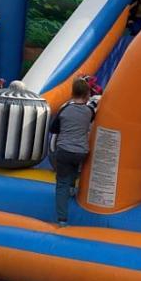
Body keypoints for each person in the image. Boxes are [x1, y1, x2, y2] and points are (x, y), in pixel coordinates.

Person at [49, 77, 95, 227]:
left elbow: (53, 129)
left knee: (61, 183)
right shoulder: (89, 111)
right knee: (74, 166)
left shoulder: (65, 109)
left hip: (65, 149)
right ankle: (71, 188)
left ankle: (62, 219)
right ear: (87, 94)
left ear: (72, 93)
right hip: (81, 152)